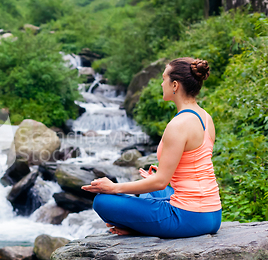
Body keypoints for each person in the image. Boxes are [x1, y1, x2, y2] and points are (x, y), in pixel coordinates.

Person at [82, 57, 222, 238]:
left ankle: (138, 227)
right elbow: (192, 168)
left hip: (188, 217)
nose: (161, 84)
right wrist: (155, 180)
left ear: (175, 85)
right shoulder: (206, 118)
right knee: (151, 187)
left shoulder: (178, 125)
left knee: (102, 201)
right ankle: (139, 225)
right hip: (213, 214)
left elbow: (160, 182)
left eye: (164, 79)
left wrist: (113, 188)